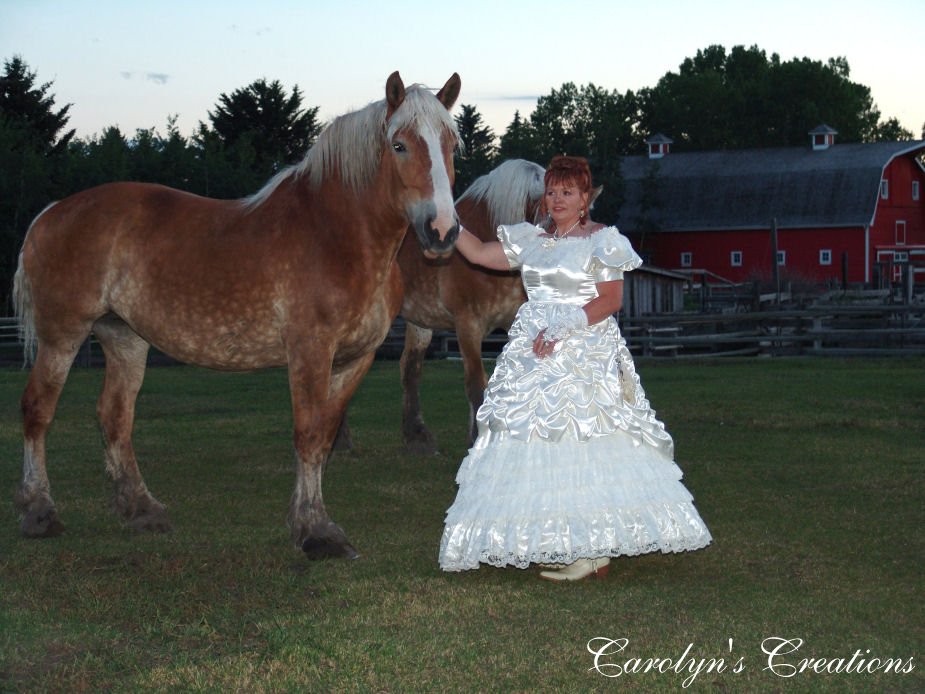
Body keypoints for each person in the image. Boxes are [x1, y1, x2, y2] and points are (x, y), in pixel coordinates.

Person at [438, 155, 711, 581]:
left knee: (584, 440)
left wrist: (564, 326)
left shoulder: (602, 239)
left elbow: (610, 300)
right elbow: (478, 253)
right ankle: (565, 541)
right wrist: (447, 223)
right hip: (534, 355)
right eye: (551, 192)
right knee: (538, 442)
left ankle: (591, 550)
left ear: (585, 197)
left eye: (567, 192)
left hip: (583, 349)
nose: (557, 199)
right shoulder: (533, 239)